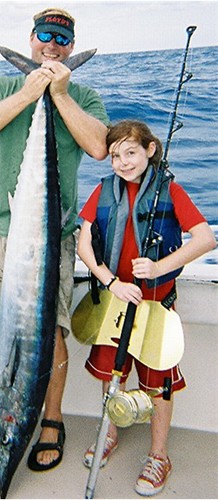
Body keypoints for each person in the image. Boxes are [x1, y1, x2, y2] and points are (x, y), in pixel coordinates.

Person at [0, 7, 109, 471]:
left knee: (49, 333)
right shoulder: (1, 86)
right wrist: (28, 92)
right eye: (46, 36)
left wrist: (59, 93)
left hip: (48, 236)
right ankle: (1, 401)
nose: (53, 45)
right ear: (32, 38)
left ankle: (52, 419)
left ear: (70, 44)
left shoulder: (83, 95)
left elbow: (100, 146)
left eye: (63, 40)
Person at [77, 120, 216, 495]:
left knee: (158, 384)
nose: (122, 163)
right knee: (112, 374)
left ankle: (159, 455)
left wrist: (158, 268)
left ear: (150, 150)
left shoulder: (170, 190)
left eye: (131, 153)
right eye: (116, 156)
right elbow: (83, 242)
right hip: (116, 299)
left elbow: (205, 239)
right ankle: (109, 434)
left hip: (156, 304)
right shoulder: (103, 190)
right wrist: (110, 280)